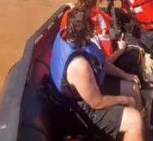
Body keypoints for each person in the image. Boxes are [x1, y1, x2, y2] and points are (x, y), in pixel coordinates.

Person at [49, 8, 144, 141]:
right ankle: (132, 129)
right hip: (77, 110)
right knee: (134, 120)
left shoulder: (66, 34)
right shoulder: (78, 65)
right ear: (86, 34)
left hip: (90, 88)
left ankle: (137, 135)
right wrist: (125, 100)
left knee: (133, 89)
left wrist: (126, 76)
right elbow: (97, 102)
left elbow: (101, 64)